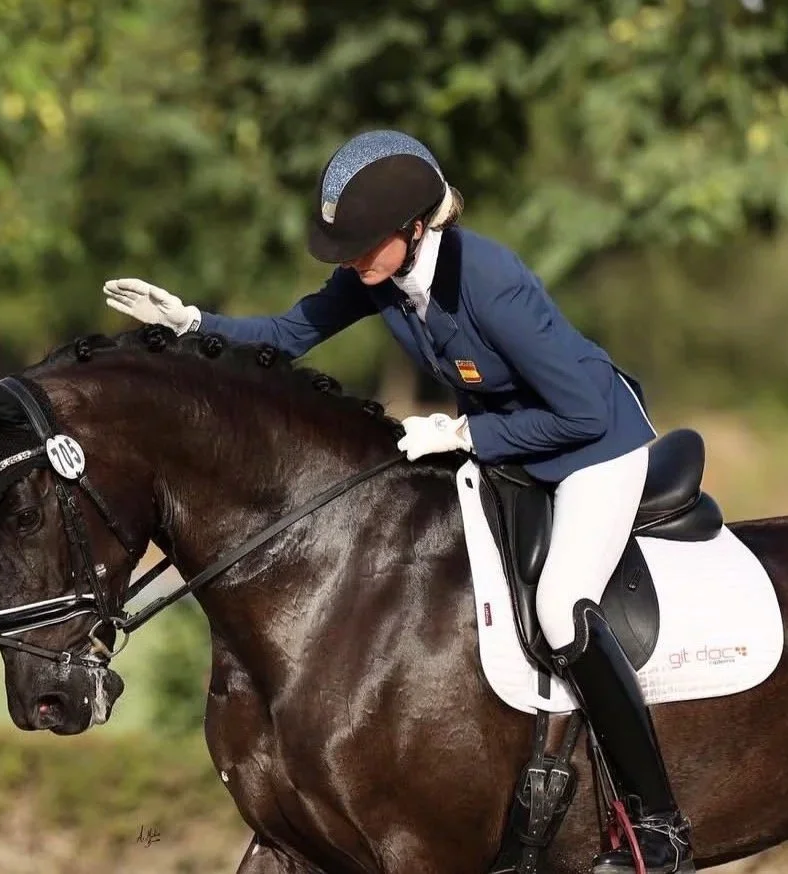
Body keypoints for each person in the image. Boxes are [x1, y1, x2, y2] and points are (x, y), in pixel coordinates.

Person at [101, 129, 694, 874]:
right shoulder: (379, 274)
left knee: (559, 607)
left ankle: (659, 823)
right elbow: (285, 335)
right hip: (507, 449)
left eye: (361, 244)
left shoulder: (490, 282)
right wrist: (191, 327)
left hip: (593, 451)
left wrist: (465, 433)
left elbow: (578, 413)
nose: (349, 259)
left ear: (415, 228)